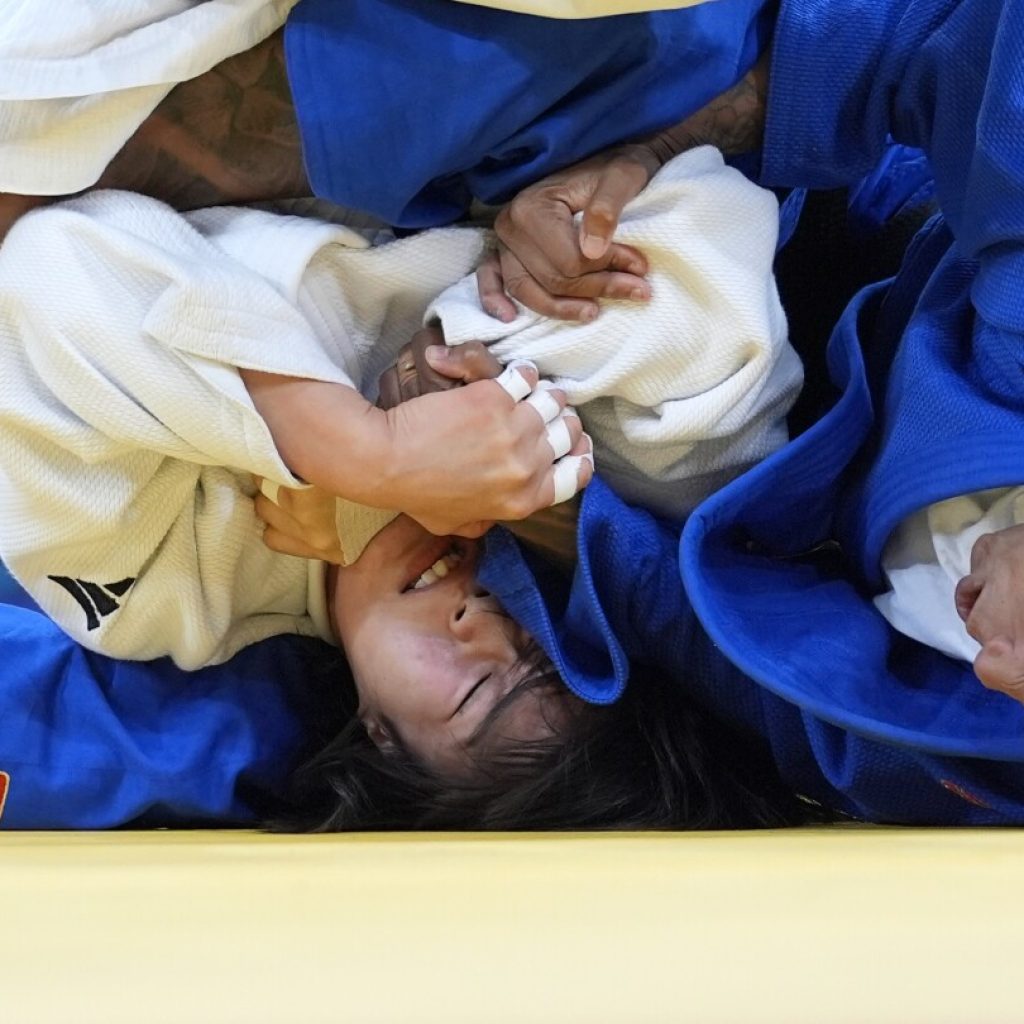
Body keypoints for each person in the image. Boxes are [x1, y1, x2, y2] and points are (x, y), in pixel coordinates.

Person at [0, 147, 809, 824]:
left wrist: (353, 453)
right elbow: (709, 234)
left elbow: (49, 265)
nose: (486, 622)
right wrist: (468, 346)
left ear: (380, 733)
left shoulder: (166, 595)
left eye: (480, 690)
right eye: (547, 653)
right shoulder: (589, 477)